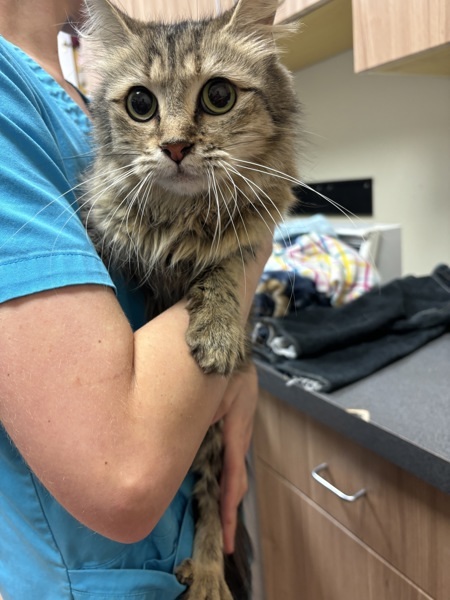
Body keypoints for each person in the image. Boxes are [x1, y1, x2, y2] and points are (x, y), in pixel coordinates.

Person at [0, 1, 272, 598]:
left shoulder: (73, 92)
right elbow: (120, 474)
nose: (175, 138)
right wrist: (251, 251)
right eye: (144, 107)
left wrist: (236, 373)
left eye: (216, 97)